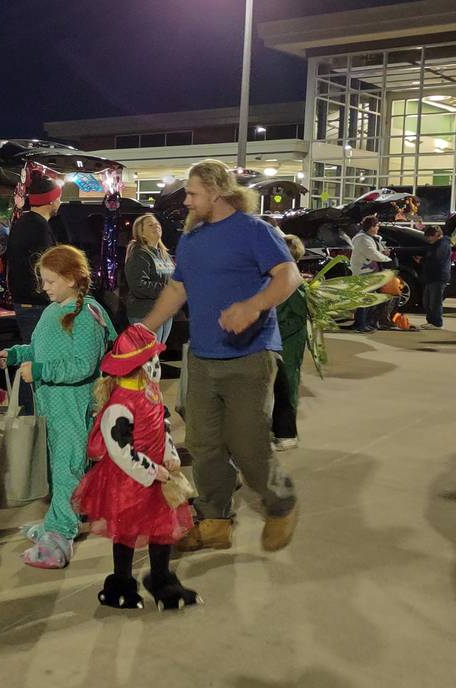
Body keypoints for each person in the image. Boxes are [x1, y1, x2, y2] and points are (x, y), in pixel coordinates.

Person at [142, 159, 301, 554]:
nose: (187, 201)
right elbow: (178, 289)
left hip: (250, 355)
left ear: (215, 191)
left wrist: (253, 305)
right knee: (203, 443)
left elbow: (288, 275)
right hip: (203, 356)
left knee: (247, 444)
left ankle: (280, 504)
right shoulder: (193, 239)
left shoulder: (254, 231)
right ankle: (213, 521)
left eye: (193, 193)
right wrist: (143, 331)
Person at [0, 245, 116, 569]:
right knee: (56, 467)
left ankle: (60, 539)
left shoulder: (87, 315)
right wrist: (19, 354)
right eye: (43, 280)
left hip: (74, 405)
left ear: (72, 278)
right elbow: (39, 348)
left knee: (68, 469)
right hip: (50, 404)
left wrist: (41, 371)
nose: (44, 287)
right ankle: (54, 522)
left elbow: (83, 365)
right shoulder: (52, 311)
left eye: (50, 281)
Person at [73, 324, 201, 611]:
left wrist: (169, 454)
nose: (156, 366)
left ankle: (161, 580)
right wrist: (151, 470)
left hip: (158, 477)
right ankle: (120, 582)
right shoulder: (119, 406)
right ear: (136, 366)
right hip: (128, 483)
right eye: (151, 361)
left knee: (161, 529)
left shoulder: (151, 394)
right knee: (126, 532)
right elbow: (120, 451)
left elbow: (163, 426)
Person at [5, 172, 62, 412]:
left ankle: (28, 409)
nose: (60, 202)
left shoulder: (23, 223)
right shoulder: (39, 228)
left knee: (32, 354)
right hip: (36, 305)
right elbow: (44, 269)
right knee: (37, 358)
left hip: (25, 303)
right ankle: (32, 413)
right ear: (50, 200)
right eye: (58, 198)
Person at [272, 235, 309, 451]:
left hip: (289, 343)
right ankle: (277, 430)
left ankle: (287, 434)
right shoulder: (280, 275)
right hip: (279, 342)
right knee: (278, 387)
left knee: (287, 387)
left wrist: (273, 332)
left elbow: (297, 317)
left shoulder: (294, 281)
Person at [125, 214, 176, 343]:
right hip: (145, 313)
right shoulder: (139, 255)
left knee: (155, 355)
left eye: (157, 224)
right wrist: (167, 290)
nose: (156, 226)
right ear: (141, 233)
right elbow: (139, 285)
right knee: (147, 357)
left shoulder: (164, 255)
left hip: (164, 312)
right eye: (150, 225)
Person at [350, 215, 390, 333]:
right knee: (364, 299)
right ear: (371, 227)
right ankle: (361, 324)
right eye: (377, 226)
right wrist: (387, 259)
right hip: (363, 273)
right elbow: (371, 253)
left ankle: (364, 323)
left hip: (369, 272)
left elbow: (376, 251)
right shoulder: (362, 238)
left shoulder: (370, 237)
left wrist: (384, 252)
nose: (378, 228)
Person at [420, 226, 451, 330]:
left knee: (435, 301)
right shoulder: (436, 244)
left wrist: (422, 261)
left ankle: (437, 323)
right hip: (432, 276)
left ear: (437, 235)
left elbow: (436, 260)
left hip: (438, 277)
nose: (428, 239)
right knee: (427, 301)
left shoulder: (442, 245)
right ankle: (431, 321)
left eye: (430, 237)